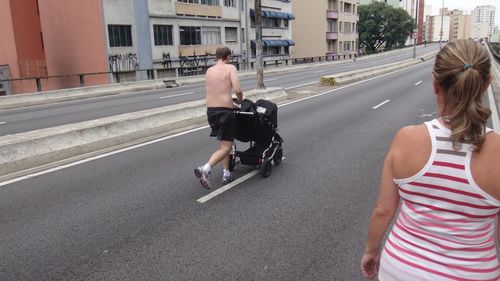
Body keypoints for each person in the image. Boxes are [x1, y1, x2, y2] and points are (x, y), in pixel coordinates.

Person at [361, 39, 500, 280]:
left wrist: (371, 252)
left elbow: (383, 210)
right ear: (487, 83)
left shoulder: (407, 139)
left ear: (435, 83)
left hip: (401, 269)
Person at [194, 47, 243, 189]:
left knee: (224, 145)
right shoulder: (230, 68)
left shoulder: (209, 71)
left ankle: (226, 173)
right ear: (227, 57)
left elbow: (216, 91)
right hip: (225, 112)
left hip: (211, 112)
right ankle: (206, 169)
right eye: (231, 57)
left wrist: (230, 102)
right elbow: (238, 90)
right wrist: (240, 102)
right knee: (227, 147)